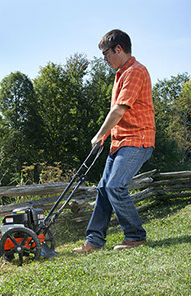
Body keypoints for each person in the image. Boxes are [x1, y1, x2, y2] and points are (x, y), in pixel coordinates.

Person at [73, 29, 155, 252]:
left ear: (118, 48)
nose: (104, 59)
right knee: (103, 189)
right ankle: (94, 241)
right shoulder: (121, 74)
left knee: (115, 186)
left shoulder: (136, 72)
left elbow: (119, 111)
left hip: (138, 140)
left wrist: (99, 135)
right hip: (120, 142)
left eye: (105, 53)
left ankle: (136, 236)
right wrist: (107, 138)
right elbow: (119, 116)